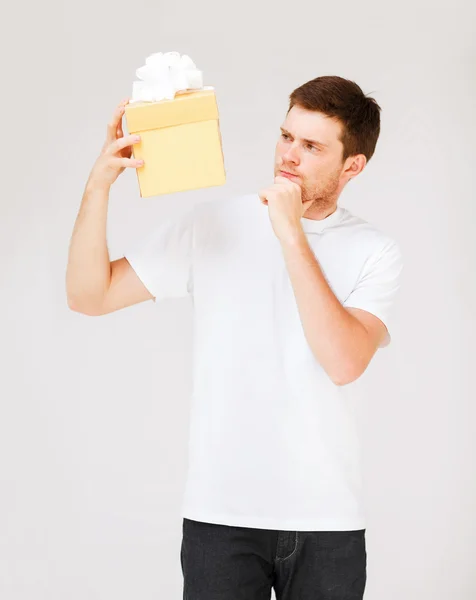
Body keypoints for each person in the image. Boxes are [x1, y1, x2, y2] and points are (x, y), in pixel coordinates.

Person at [66, 75, 403, 600]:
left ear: (352, 166)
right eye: (286, 136)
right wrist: (97, 186)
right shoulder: (212, 225)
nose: (289, 156)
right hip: (219, 518)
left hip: (326, 521)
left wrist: (290, 233)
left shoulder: (375, 251)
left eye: (312, 146)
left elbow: (343, 362)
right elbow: (91, 295)